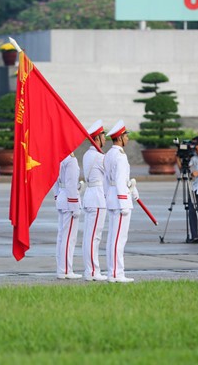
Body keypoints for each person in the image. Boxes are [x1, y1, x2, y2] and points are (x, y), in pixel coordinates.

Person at [104, 119, 138, 283]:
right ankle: (117, 273)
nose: (128, 139)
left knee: (113, 238)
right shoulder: (120, 157)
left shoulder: (109, 154)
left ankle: (114, 271)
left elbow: (108, 181)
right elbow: (118, 181)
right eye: (126, 136)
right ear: (120, 137)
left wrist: (131, 187)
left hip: (112, 198)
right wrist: (124, 201)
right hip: (119, 202)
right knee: (119, 239)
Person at [81, 120, 108, 281]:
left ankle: (90, 269)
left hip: (91, 195)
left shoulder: (86, 154)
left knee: (89, 236)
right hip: (98, 197)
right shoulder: (99, 157)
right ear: (97, 137)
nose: (105, 138)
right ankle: (92, 271)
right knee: (94, 237)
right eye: (103, 135)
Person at [54, 152, 82, 279]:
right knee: (69, 238)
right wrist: (74, 206)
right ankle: (65, 270)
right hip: (68, 200)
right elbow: (71, 185)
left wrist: (57, 196)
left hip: (61, 196)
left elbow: (54, 180)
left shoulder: (59, 157)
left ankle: (61, 267)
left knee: (62, 237)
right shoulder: (71, 160)